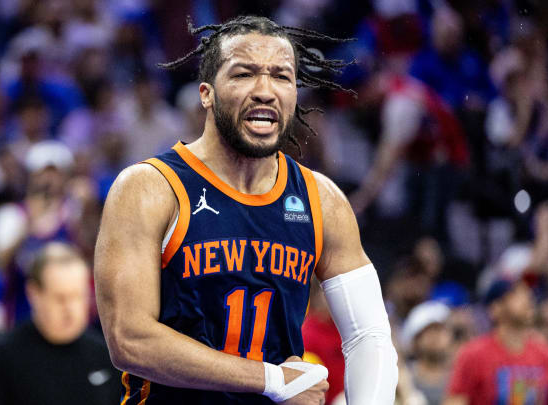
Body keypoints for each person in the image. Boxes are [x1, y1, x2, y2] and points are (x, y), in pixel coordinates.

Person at [95, 15, 398, 405]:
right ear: (206, 93)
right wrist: (271, 379)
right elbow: (129, 340)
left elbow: (368, 336)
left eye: (281, 76)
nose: (265, 91)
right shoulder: (149, 188)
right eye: (244, 74)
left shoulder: (321, 200)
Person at [0, 242, 120, 405]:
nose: (70, 309)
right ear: (33, 294)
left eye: (78, 296)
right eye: (61, 298)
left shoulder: (107, 356)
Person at [443, 279, 548, 405]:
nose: (527, 300)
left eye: (528, 294)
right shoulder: (473, 355)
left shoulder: (547, 355)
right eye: (516, 295)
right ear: (495, 308)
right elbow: (455, 400)